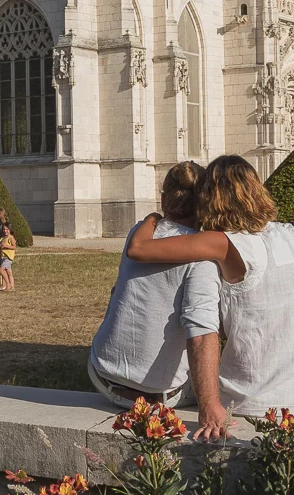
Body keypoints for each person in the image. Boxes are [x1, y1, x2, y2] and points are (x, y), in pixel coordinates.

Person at [124, 155, 294, 441]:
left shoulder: (222, 243)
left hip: (259, 402)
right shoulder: (292, 235)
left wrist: (154, 217)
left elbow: (139, 249)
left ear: (210, 197)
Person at [87, 162, 218, 410]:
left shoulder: (139, 231)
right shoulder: (202, 254)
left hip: (103, 373)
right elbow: (201, 332)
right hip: (158, 396)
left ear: (162, 198)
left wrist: (152, 218)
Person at [0, 208, 17, 291]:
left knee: (2, 269)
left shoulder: (4, 226)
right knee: (7, 270)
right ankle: (8, 286)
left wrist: (4, 246)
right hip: (1, 250)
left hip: (6, 253)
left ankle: (7, 285)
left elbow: (12, 244)